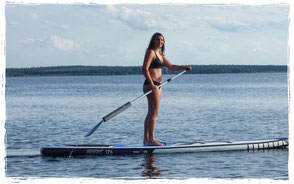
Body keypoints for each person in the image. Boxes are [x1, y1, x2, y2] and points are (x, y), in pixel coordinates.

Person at [142, 32, 192, 146]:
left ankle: (146, 139)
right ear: (153, 41)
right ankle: (151, 140)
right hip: (151, 84)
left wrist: (184, 67)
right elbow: (144, 69)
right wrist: (152, 84)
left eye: (162, 40)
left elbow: (172, 67)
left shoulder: (161, 55)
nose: (160, 42)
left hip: (157, 85)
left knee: (151, 112)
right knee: (154, 113)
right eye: (157, 40)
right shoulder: (150, 52)